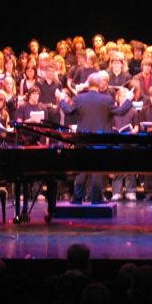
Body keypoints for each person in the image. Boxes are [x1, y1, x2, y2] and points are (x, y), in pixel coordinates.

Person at [57, 72, 132, 206]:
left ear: (88, 83)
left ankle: (78, 197)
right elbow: (120, 112)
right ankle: (96, 198)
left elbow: (68, 111)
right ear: (99, 84)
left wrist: (62, 99)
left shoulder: (79, 99)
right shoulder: (107, 99)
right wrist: (129, 100)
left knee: (82, 168)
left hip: (83, 139)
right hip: (100, 140)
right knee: (97, 169)